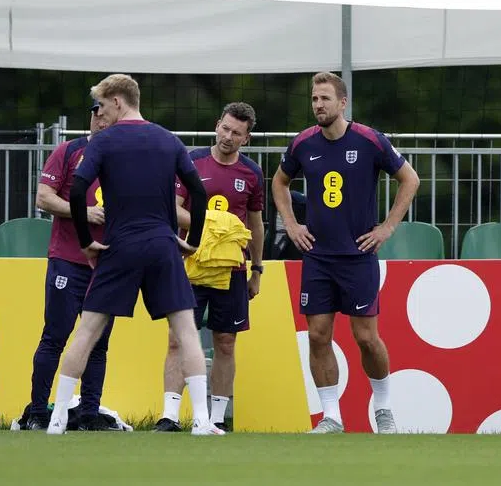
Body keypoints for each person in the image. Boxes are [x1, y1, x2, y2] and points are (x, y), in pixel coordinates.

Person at [45, 74, 219, 436]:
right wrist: (194, 239)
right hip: (162, 245)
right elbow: (198, 194)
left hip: (119, 246)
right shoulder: (169, 140)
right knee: (186, 331)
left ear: (118, 102)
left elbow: (78, 190)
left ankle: (58, 418)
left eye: (103, 106)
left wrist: (85, 241)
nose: (100, 114)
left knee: (87, 331)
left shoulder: (104, 141)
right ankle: (202, 420)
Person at [272, 72, 420, 434]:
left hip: (357, 256)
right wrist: (291, 224)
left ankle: (383, 410)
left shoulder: (370, 140)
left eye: (324, 98)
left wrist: (387, 227)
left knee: (366, 338)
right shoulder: (303, 143)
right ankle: (331, 417)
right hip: (318, 257)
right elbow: (278, 182)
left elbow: (410, 179)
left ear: (342, 103)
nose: (318, 105)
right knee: (319, 335)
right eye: (313, 99)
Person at [155, 102, 265, 433]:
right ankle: (169, 416)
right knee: (177, 339)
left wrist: (257, 270)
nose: (228, 137)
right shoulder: (190, 161)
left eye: (236, 133)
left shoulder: (252, 173)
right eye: (225, 128)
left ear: (247, 138)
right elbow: (172, 209)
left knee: (225, 342)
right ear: (217, 124)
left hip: (231, 271)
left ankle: (217, 418)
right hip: (189, 263)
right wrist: (212, 226)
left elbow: (256, 225)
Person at [20, 99, 113, 431]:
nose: (99, 118)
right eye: (94, 112)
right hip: (68, 260)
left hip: (107, 264)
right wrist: (84, 212)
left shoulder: (126, 160)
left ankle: (89, 413)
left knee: (99, 343)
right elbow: (43, 197)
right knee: (55, 336)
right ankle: (37, 412)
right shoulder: (69, 151)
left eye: (105, 112)